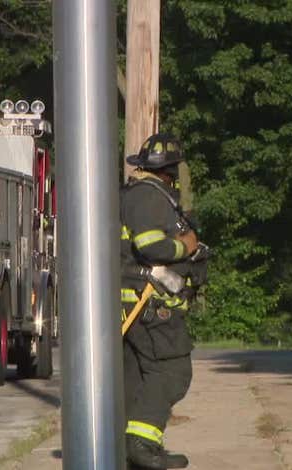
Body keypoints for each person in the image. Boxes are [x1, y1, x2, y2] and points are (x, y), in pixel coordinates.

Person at [120, 133, 208, 469]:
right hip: (148, 305)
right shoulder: (148, 196)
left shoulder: (145, 195)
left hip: (140, 306)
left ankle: (135, 450)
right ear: (169, 170)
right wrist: (185, 246)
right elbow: (151, 246)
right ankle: (141, 444)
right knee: (172, 372)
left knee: (140, 379)